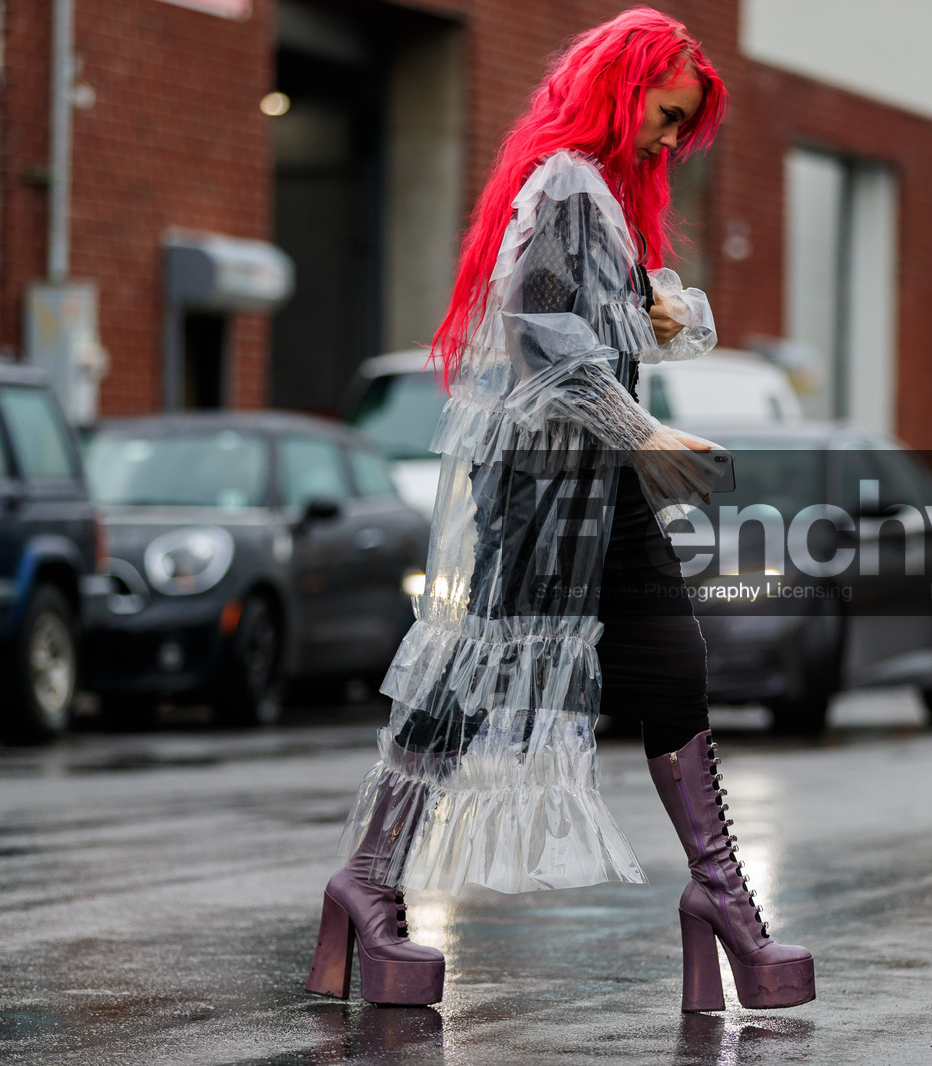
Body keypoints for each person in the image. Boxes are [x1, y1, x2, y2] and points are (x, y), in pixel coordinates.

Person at [303, 6, 815, 1014]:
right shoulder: (569, 184)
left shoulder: (599, 197)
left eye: (682, 127)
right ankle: (366, 882)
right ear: (621, 88)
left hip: (592, 487)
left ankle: (721, 900)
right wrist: (646, 434)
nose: (671, 142)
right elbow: (548, 340)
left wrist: (662, 313)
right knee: (467, 676)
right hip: (542, 489)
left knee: (668, 666)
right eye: (666, 116)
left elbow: (594, 331)